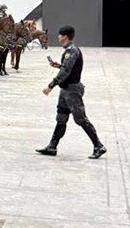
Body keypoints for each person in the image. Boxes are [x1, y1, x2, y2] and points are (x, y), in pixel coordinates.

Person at [37, 25, 106, 159]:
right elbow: (66, 67)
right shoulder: (69, 51)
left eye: (59, 35)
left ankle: (99, 146)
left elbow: (66, 71)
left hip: (72, 91)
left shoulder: (72, 51)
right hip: (66, 90)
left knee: (81, 119)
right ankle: (52, 146)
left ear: (64, 37)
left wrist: (51, 85)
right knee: (61, 118)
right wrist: (57, 65)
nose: (58, 37)